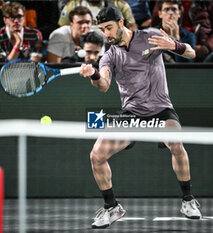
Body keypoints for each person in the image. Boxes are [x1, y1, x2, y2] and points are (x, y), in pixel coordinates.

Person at [79, 5, 202, 229]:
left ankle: (188, 200)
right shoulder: (108, 56)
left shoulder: (151, 36)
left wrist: (174, 45)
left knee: (176, 142)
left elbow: (192, 53)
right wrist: (94, 74)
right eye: (102, 29)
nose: (106, 34)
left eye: (109, 27)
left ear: (121, 23)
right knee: (96, 155)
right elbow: (104, 85)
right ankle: (111, 207)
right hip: (131, 114)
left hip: (161, 109)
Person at [58, 0, 137, 30]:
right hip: (81, 44)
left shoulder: (119, 4)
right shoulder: (72, 5)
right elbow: (63, 28)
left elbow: (132, 27)